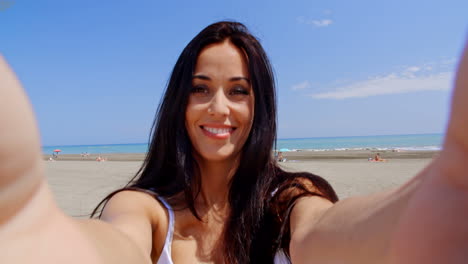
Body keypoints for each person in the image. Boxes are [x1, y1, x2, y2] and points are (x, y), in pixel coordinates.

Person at [1, 21, 468, 264]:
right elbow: (116, 244)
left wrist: (433, 197)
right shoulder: (145, 210)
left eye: (239, 91)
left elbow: (325, 235)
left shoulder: (291, 200)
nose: (219, 108)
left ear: (259, 105)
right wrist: (39, 236)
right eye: (200, 88)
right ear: (178, 103)